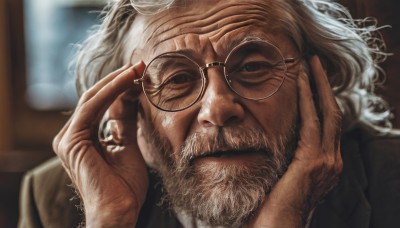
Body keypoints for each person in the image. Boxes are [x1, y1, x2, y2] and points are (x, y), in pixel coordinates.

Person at [18, 0, 400, 227]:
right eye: (177, 78)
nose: (217, 108)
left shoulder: (390, 182)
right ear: (129, 110)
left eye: (252, 67)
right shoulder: (56, 201)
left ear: (321, 81)